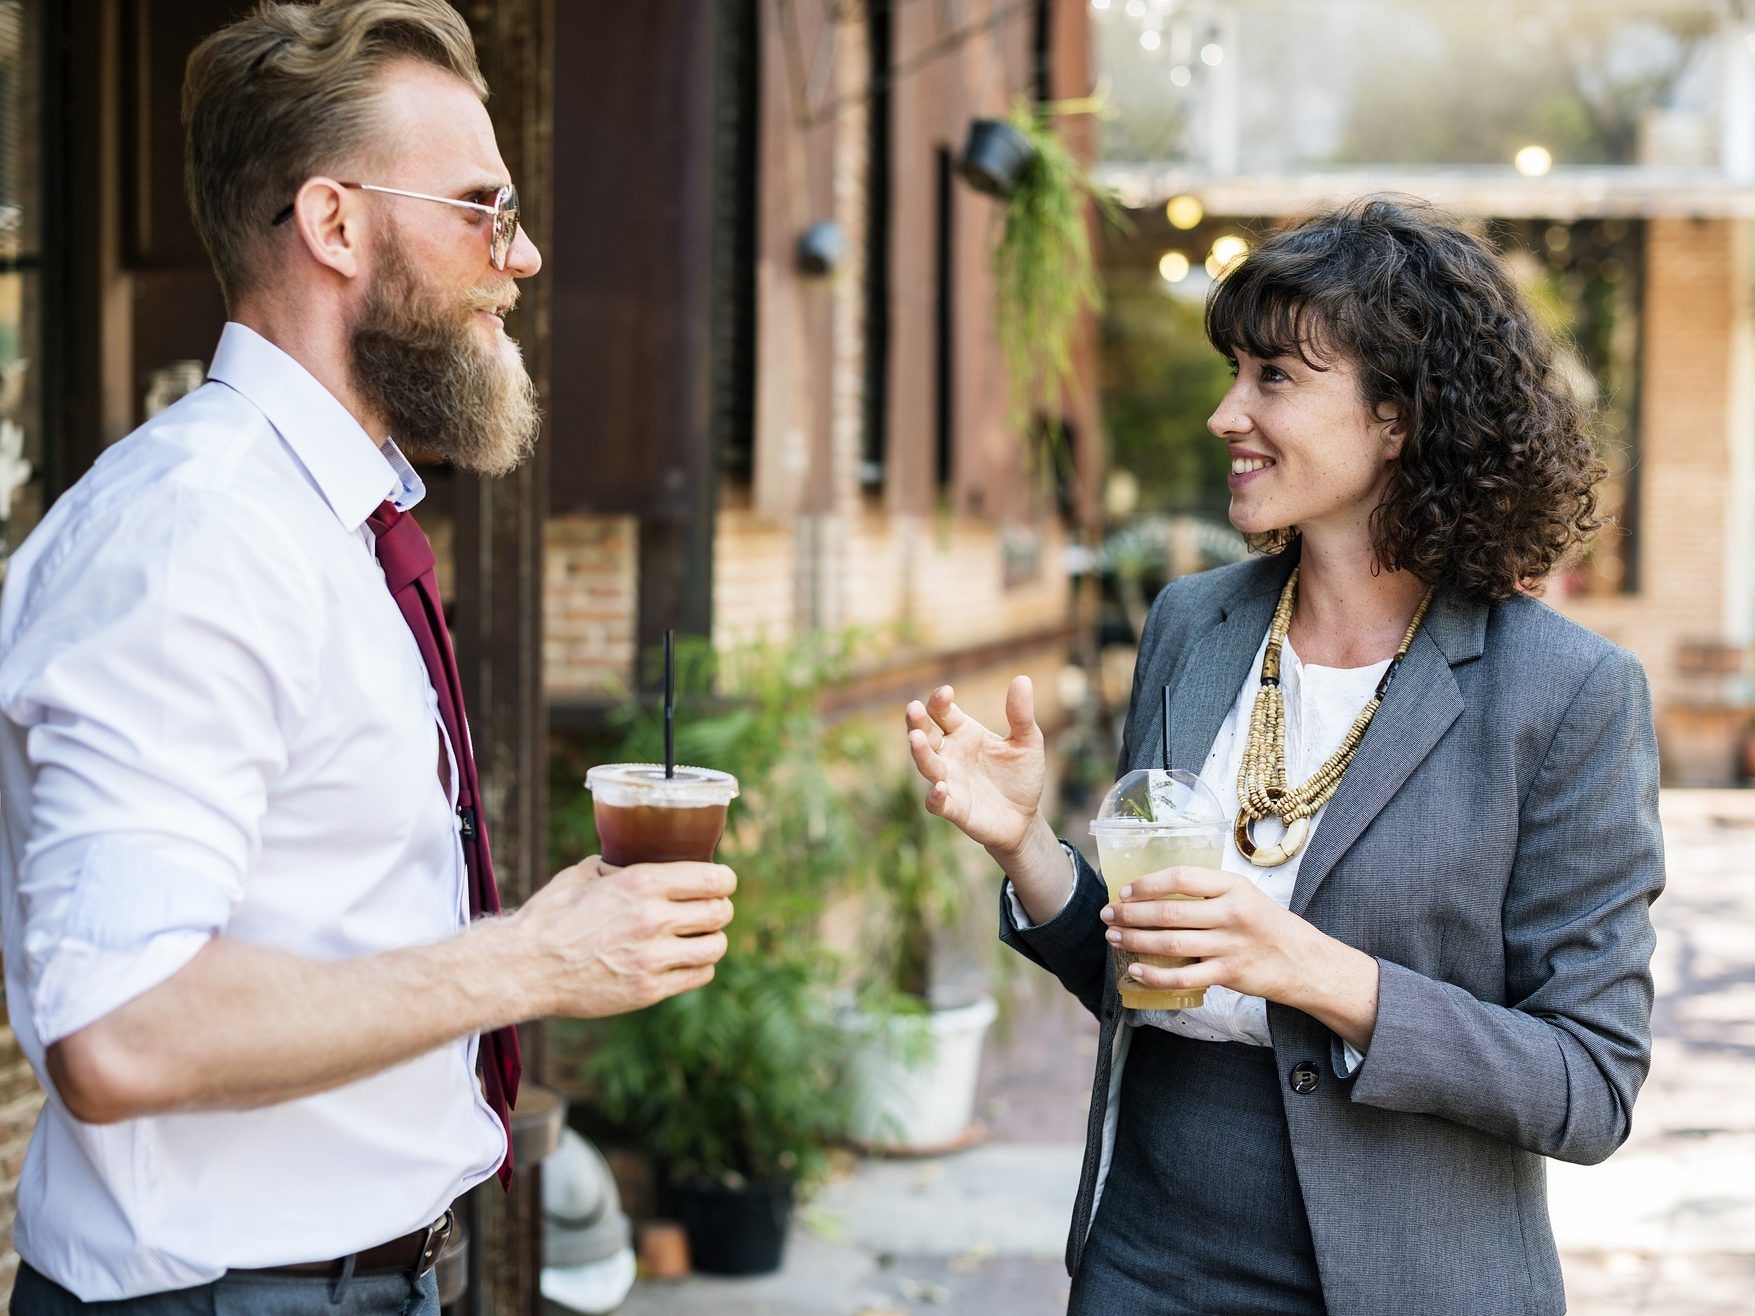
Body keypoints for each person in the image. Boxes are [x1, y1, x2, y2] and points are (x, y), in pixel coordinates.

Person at [0, 2, 734, 1310]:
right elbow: (118, 1031)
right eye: (482, 209)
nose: (525, 255)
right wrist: (532, 957)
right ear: (336, 225)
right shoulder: (194, 536)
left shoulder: (324, 521)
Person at [905, 196, 1663, 1315]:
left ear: (1399, 416)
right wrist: (1026, 845)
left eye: (1273, 377)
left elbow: (1590, 1083)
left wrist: (1309, 966)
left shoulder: (1567, 693)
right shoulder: (1191, 625)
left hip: (1410, 1274)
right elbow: (1138, 972)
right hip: (1147, 1250)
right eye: (1233, 372)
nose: (1226, 413)